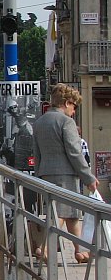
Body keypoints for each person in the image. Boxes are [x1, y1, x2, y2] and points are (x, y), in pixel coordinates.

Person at [32, 83, 98, 264]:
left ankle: (80, 251)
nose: (74, 111)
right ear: (67, 103)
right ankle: (44, 248)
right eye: (74, 106)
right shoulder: (66, 122)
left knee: (72, 214)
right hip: (66, 175)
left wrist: (39, 174)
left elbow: (36, 152)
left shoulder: (40, 122)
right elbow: (74, 152)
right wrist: (88, 177)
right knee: (60, 213)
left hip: (46, 173)